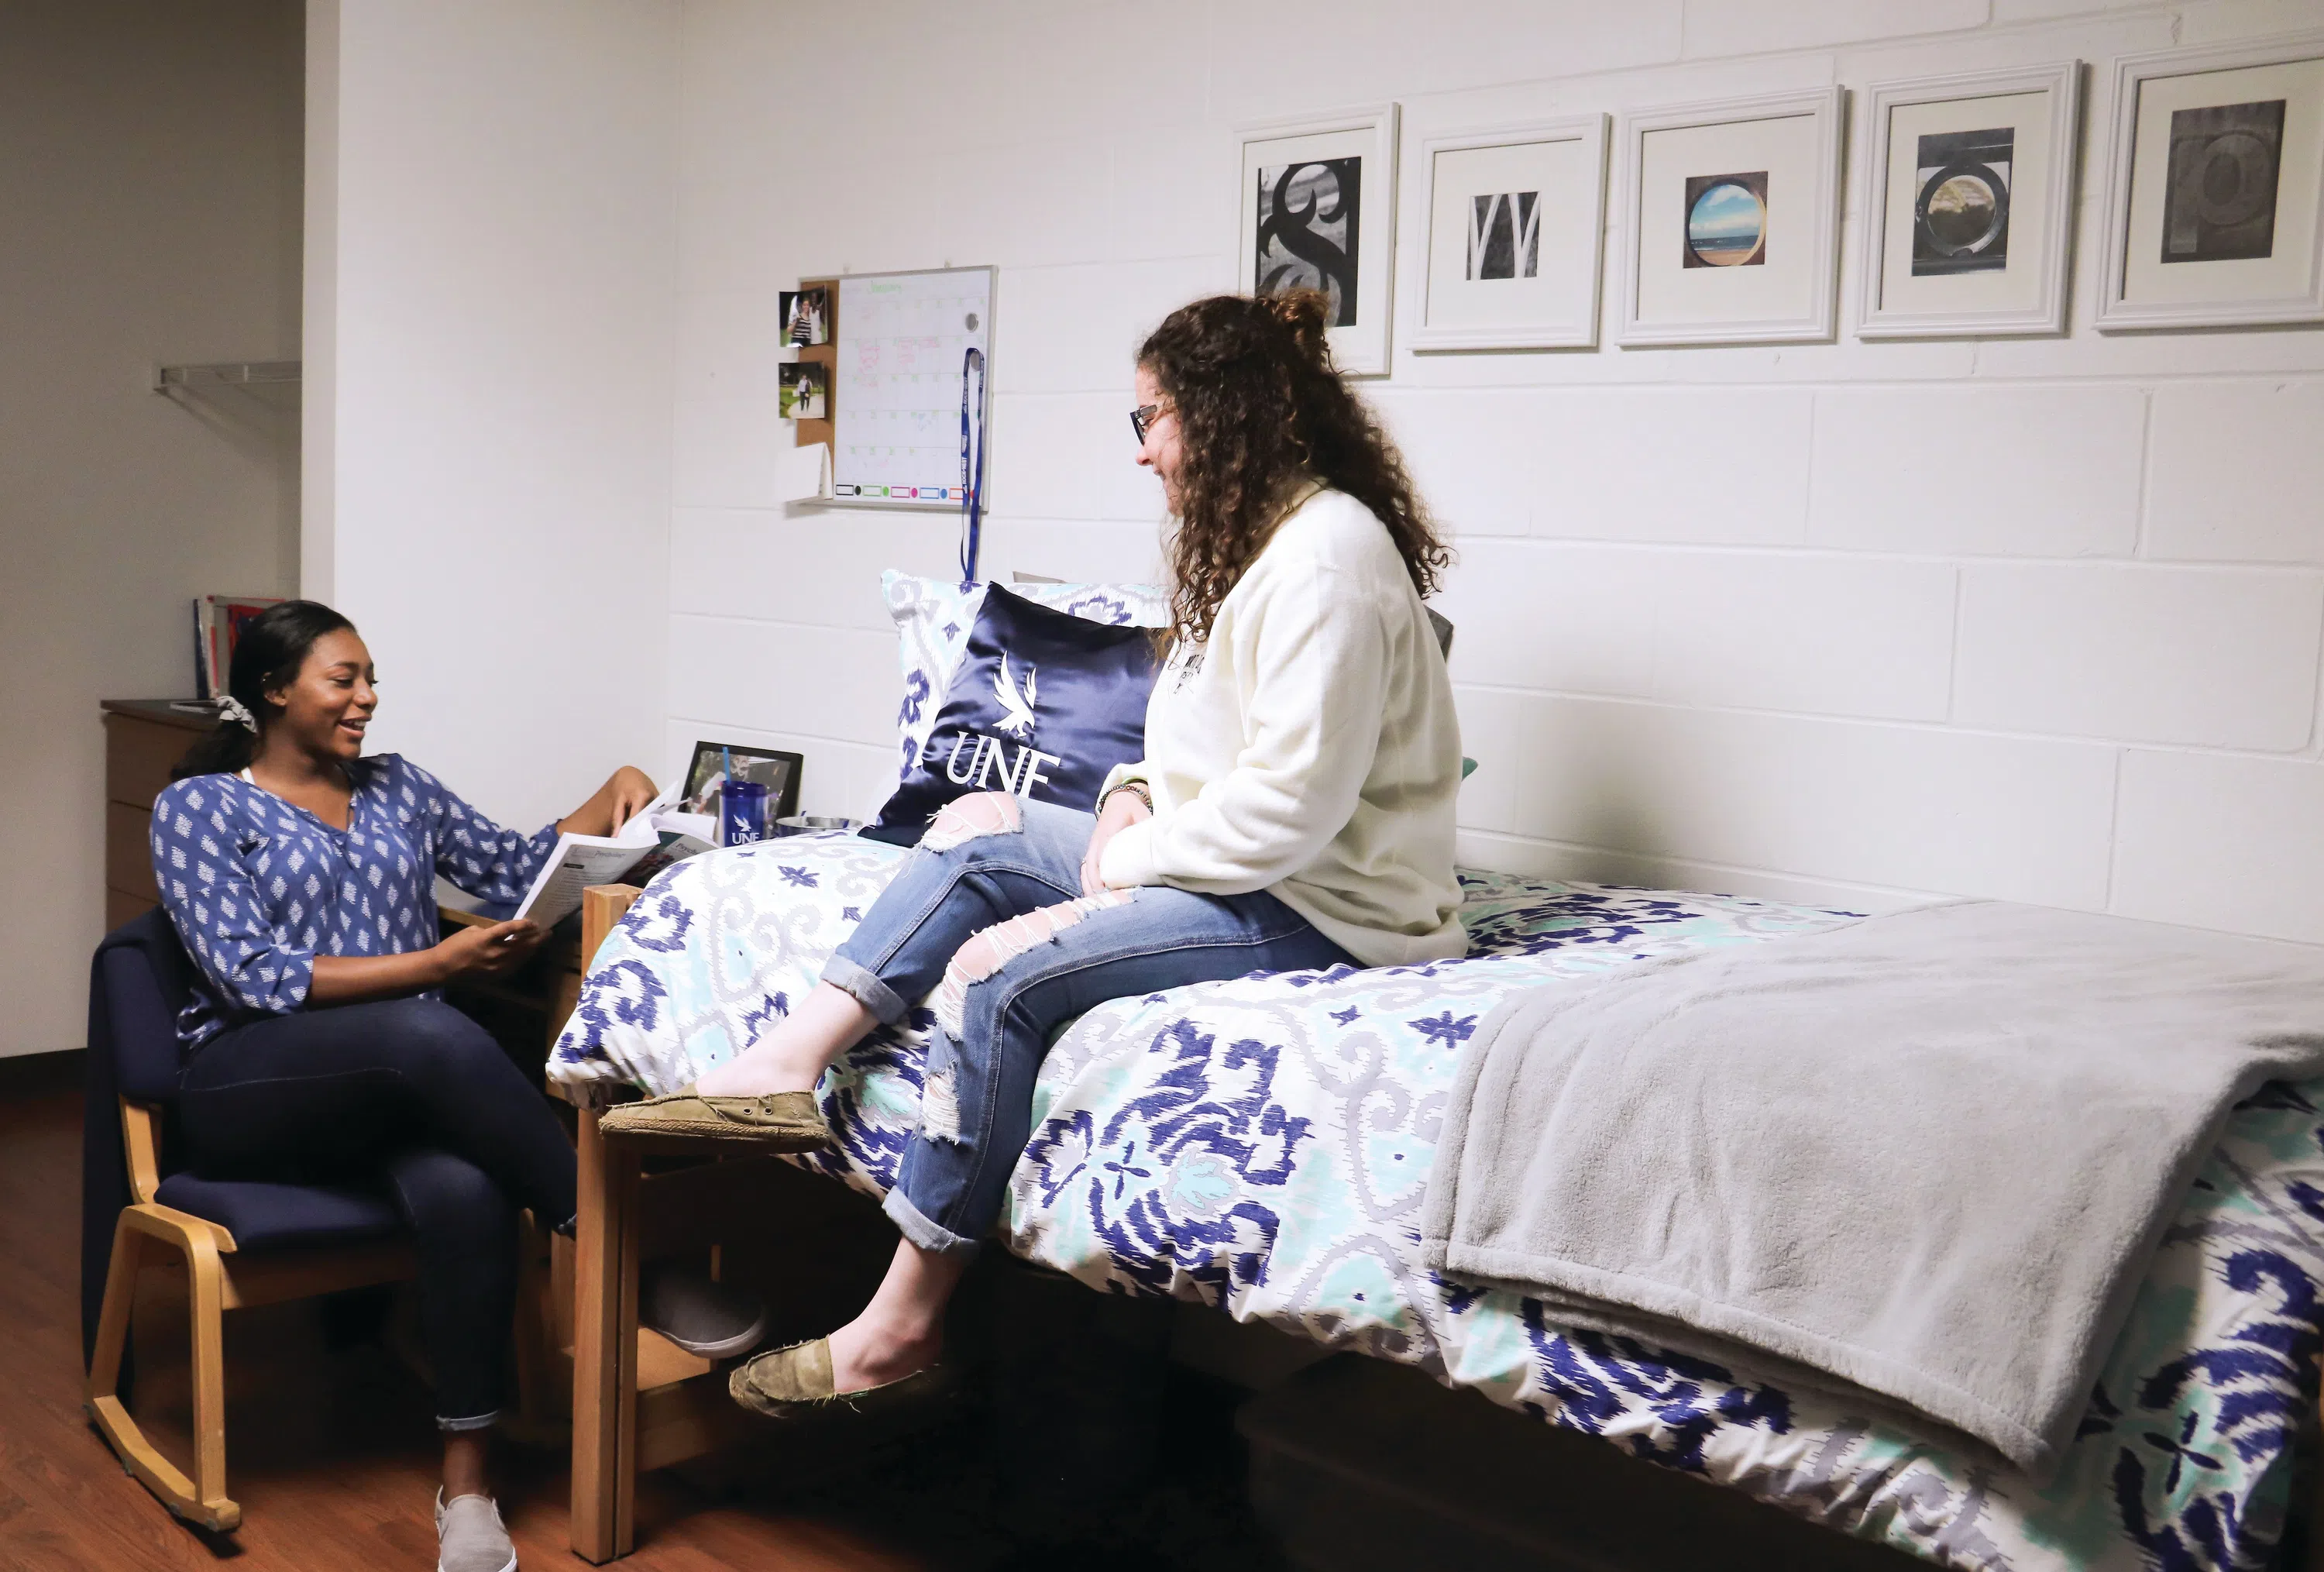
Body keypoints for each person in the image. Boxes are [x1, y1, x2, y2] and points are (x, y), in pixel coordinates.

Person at [603, 287, 1466, 1419]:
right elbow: (1196, 740)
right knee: (973, 838)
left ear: (1218, 416)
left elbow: (1291, 813)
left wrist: (1122, 868)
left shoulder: (1328, 559)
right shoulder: (1253, 544)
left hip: (1327, 901)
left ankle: (899, 1327)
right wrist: (1127, 799)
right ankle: (784, 1068)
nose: (1145, 451)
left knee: (1002, 981)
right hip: (1230, 855)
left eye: (1151, 418)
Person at [149, 600, 761, 1572]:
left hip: (394, 1080)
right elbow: (254, 975)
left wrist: (615, 793)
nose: (368, 697)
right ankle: (633, 1263)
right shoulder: (202, 808)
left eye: (370, 678)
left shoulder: (398, 788)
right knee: (431, 1028)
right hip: (249, 1080)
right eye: (343, 679)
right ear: (273, 691)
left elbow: (517, 868)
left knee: (464, 1186)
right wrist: (438, 962)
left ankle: (467, 1487)